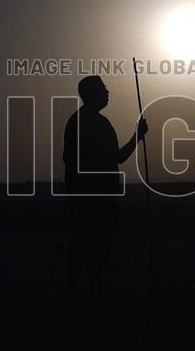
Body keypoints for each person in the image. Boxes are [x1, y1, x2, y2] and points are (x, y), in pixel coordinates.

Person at [62, 75, 147, 308]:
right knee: (92, 245)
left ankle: (80, 292)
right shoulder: (94, 123)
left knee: (85, 244)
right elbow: (116, 157)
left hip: (87, 195)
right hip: (95, 196)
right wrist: (137, 137)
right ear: (92, 94)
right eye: (103, 89)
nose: (108, 92)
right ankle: (88, 293)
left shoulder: (78, 121)